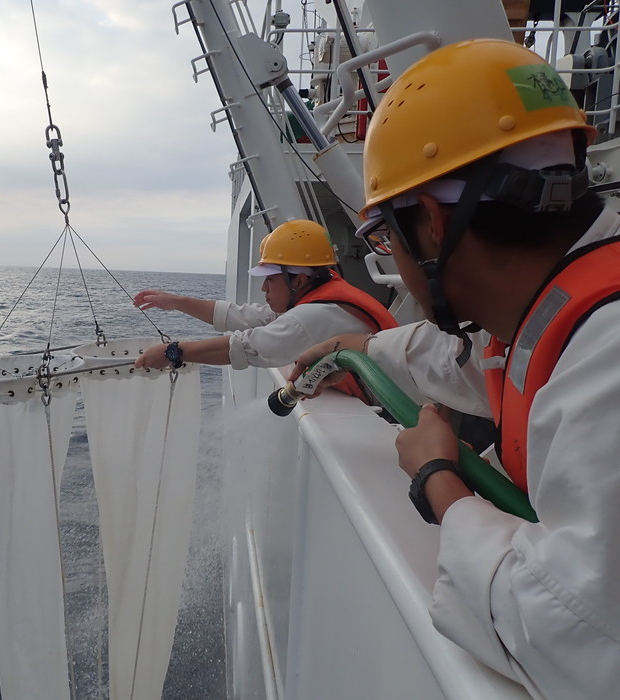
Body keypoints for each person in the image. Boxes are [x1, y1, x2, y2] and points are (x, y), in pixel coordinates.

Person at [290, 39, 620, 699]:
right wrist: (361, 348)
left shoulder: (605, 361)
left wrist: (436, 476)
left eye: (385, 235)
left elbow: (574, 637)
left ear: (432, 224)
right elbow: (469, 361)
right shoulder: (559, 312)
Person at [133, 219, 396, 371]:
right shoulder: (321, 297)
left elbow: (244, 347)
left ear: (299, 280)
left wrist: (172, 352)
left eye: (270, 279)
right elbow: (246, 316)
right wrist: (177, 302)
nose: (264, 288)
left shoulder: (312, 316)